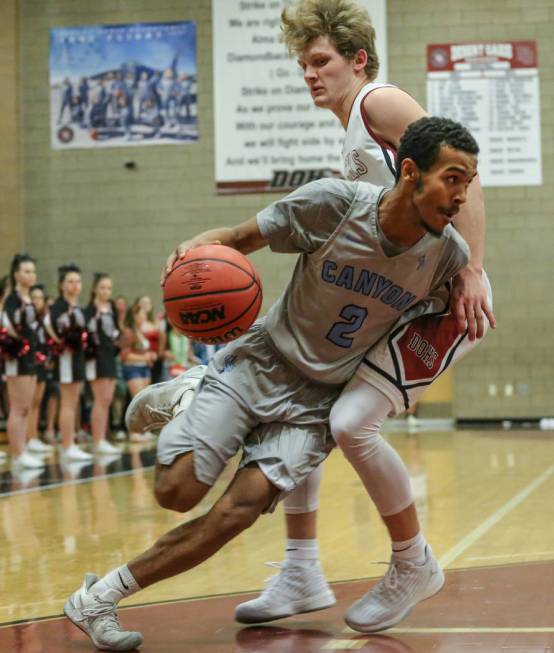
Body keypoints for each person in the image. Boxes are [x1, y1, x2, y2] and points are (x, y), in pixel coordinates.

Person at [65, 116, 478, 650]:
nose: (462, 195)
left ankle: (98, 598)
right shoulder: (334, 204)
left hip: (315, 404)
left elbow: (456, 314)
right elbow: (238, 239)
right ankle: (193, 389)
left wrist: (474, 278)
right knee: (176, 492)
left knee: (235, 514)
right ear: (409, 172)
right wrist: (195, 249)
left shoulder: (449, 257)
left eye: (468, 182)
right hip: (260, 362)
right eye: (452, 178)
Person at [233, 0, 495, 630]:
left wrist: (473, 267)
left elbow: (462, 169)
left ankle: (413, 562)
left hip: (444, 302)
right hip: (399, 298)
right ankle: (300, 569)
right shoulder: (352, 133)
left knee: (352, 421)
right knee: (305, 399)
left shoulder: (379, 102)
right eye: (302, 64)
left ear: (358, 59)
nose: (309, 74)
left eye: (320, 60)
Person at [0, 254, 48, 468]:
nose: (31, 275)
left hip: (30, 356)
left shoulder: (29, 299)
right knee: (17, 408)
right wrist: (20, 343)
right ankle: (17, 454)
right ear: (17, 274)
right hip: (17, 357)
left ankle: (23, 448)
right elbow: (7, 325)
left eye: (33, 271)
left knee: (26, 407)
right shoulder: (12, 299)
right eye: (26, 271)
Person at [47, 264, 92, 462]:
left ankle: (70, 444)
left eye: (78, 281)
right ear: (61, 285)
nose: (75, 285)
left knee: (73, 403)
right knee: (67, 403)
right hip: (66, 360)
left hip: (78, 359)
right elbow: (52, 331)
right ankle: (67, 447)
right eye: (70, 282)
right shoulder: (58, 307)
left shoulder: (77, 307)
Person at [84, 273, 121, 456]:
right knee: (100, 399)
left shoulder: (111, 307)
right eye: (102, 288)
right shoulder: (90, 310)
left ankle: (103, 438)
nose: (106, 291)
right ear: (94, 289)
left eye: (109, 288)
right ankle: (97, 440)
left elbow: (114, 332)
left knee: (107, 400)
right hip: (95, 357)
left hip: (109, 355)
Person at [120, 301, 158, 442]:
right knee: (136, 402)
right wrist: (144, 356)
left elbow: (143, 350)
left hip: (144, 368)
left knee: (143, 402)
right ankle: (132, 432)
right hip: (133, 368)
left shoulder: (140, 331)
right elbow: (124, 355)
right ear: (134, 315)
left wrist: (150, 356)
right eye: (142, 313)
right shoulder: (128, 332)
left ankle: (142, 430)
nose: (144, 315)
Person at [26, 284, 54, 454]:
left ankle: (34, 436)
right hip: (29, 364)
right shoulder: (27, 320)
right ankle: (28, 438)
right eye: (33, 297)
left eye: (39, 298)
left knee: (37, 402)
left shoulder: (44, 321)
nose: (36, 301)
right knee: (28, 403)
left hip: (42, 364)